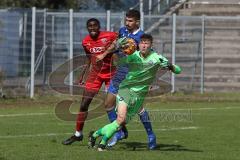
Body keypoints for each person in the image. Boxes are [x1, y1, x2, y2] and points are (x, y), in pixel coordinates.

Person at [89, 34, 182, 151]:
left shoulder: (157, 58)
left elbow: (178, 70)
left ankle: (95, 136)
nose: (143, 45)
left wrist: (171, 66)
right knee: (121, 119)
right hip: (126, 90)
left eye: (146, 43)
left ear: (151, 45)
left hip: (139, 96)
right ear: (138, 44)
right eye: (142, 42)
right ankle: (102, 145)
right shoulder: (134, 56)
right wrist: (118, 50)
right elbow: (118, 62)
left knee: (119, 123)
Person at [96, 9, 157, 149]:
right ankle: (120, 132)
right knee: (108, 105)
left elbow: (151, 58)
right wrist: (104, 54)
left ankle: (151, 135)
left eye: (130, 21)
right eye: (126, 20)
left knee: (138, 108)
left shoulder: (142, 37)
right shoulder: (123, 31)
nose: (127, 23)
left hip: (134, 78)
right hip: (119, 75)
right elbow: (116, 44)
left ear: (137, 22)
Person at [62, 18, 118, 145]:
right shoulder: (86, 41)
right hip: (95, 75)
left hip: (111, 74)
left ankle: (116, 134)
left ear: (99, 26)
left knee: (111, 106)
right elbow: (89, 58)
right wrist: (82, 74)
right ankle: (78, 134)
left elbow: (121, 39)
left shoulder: (109, 35)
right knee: (83, 104)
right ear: (87, 28)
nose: (92, 28)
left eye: (95, 25)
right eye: (90, 26)